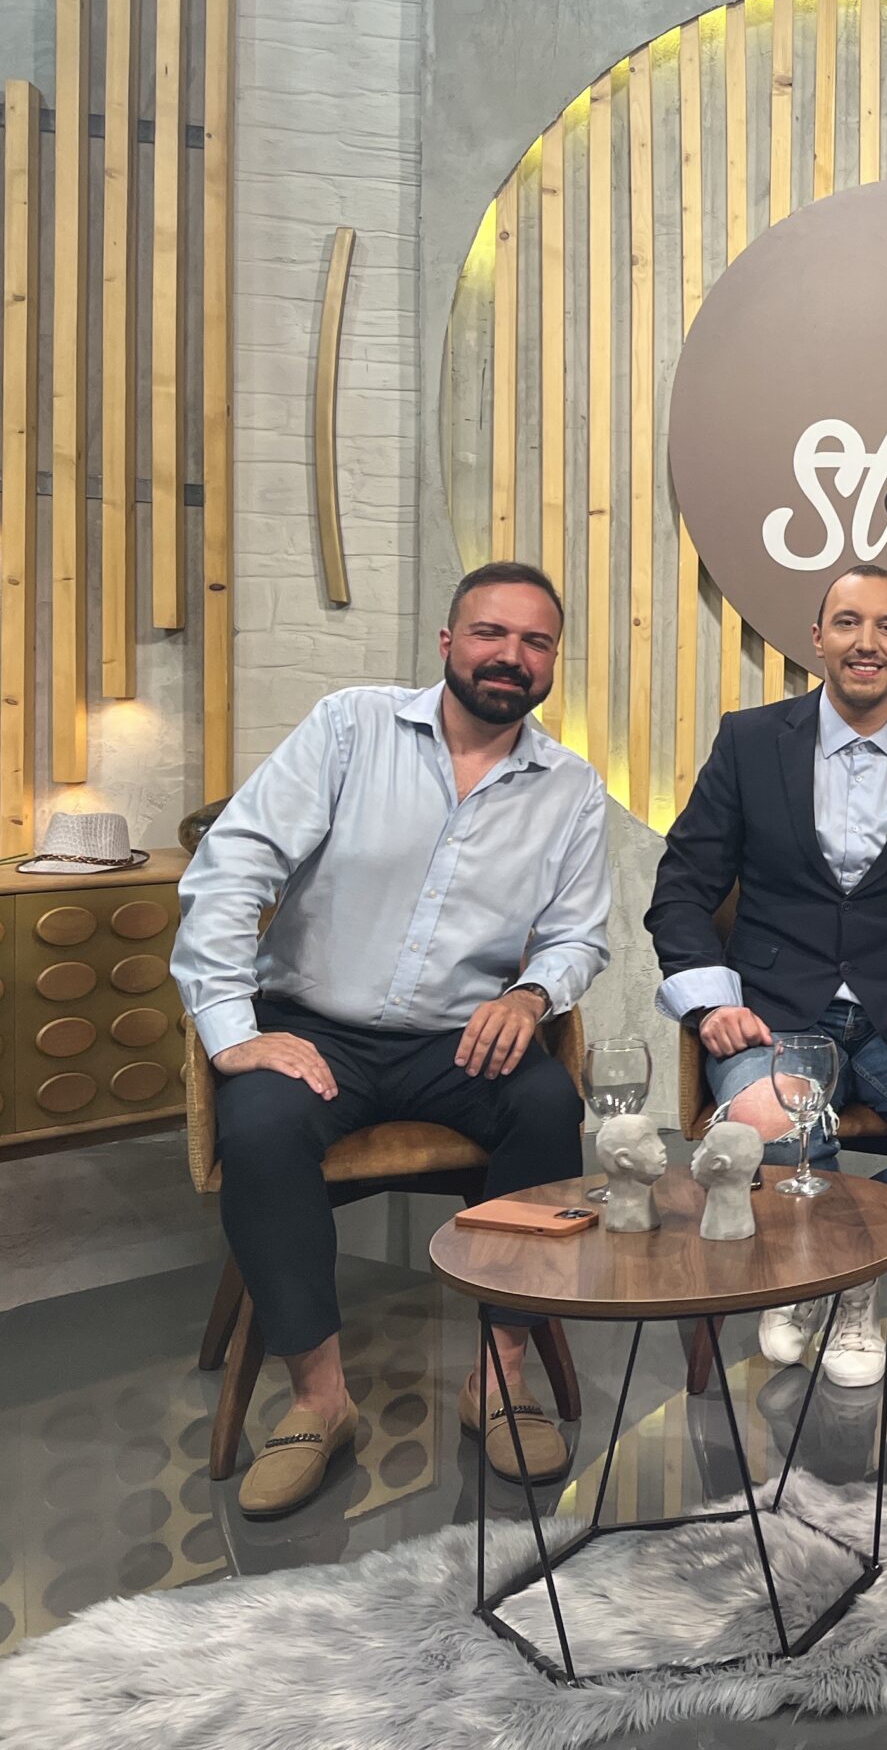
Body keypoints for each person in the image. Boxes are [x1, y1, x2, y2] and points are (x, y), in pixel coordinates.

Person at [174, 562, 610, 1518]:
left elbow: (579, 935)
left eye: (535, 642)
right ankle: (319, 1401)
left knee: (547, 1105)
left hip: (458, 1040)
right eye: (490, 633)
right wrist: (232, 1031)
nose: (511, 655)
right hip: (314, 1030)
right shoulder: (350, 728)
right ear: (448, 643)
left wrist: (532, 995)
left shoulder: (570, 787)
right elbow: (233, 865)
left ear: (552, 663)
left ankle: (498, 1378)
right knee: (262, 1128)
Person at [646, 563, 887, 1387]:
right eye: (848, 622)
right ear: (817, 639)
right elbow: (681, 890)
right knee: (767, 1119)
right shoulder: (749, 742)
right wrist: (710, 1002)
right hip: (774, 1008)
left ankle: (845, 1272)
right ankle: (826, 1272)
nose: (867, 642)